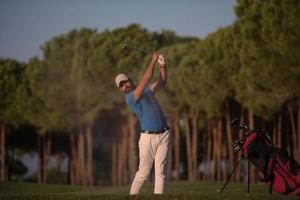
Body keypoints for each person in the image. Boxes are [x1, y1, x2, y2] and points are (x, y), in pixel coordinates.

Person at [115, 52, 171, 194]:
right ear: (121, 89)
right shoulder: (131, 98)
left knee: (161, 172)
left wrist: (163, 66)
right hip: (148, 138)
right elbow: (146, 78)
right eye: (121, 85)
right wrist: (153, 61)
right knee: (144, 174)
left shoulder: (147, 91)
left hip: (164, 134)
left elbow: (162, 81)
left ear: (130, 80)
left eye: (124, 81)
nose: (124, 86)